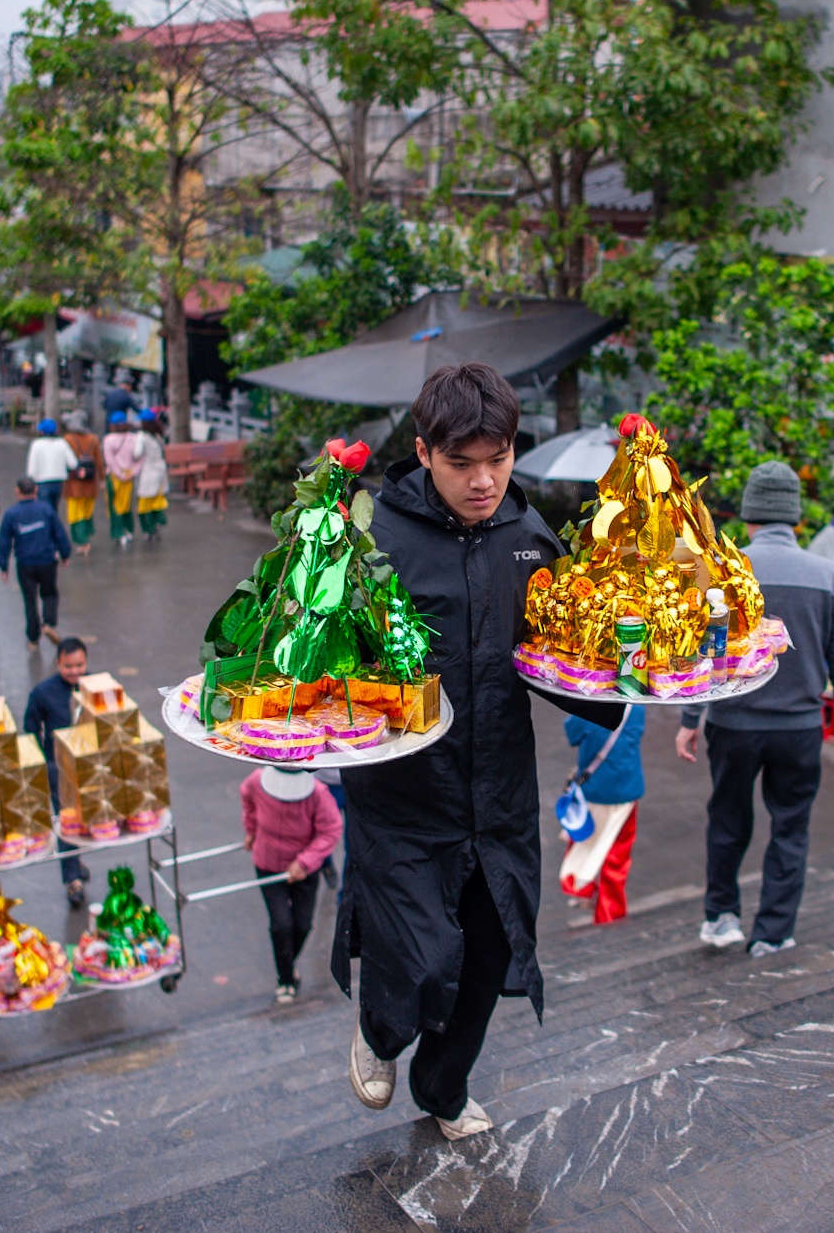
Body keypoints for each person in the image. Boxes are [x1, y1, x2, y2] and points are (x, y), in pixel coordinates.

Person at [338, 362, 621, 1141]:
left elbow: (558, 663)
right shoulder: (375, 541)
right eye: (462, 463)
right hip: (404, 799)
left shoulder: (530, 541)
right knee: (422, 956)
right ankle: (381, 1029)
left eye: (498, 459)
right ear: (424, 452)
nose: (484, 480)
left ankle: (443, 1086)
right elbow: (328, 659)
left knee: (491, 955)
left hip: (499, 798)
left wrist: (632, 685)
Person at [675, 461, 834, 956]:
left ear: (749, 514)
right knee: (791, 827)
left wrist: (690, 719)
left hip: (732, 722)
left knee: (727, 820)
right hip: (799, 728)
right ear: (795, 516)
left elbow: (702, 652)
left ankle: (721, 918)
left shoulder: (723, 568)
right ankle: (774, 933)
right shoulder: (828, 575)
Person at [241, 765, 343, 1005]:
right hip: (268, 864)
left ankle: (287, 962)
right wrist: (251, 829)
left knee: (303, 925)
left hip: (304, 872)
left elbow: (331, 830)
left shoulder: (318, 794)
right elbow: (248, 800)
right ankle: (285, 978)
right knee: (281, 925)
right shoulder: (256, 781)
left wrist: (304, 862)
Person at [559, 705, 646, 924]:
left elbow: (572, 733)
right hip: (626, 790)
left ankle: (580, 886)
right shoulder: (637, 705)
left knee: (584, 839)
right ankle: (610, 912)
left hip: (594, 790)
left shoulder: (590, 707)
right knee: (617, 855)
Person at [24, 637, 96, 903]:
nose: (75, 671)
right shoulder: (43, 692)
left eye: (79, 665)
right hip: (59, 768)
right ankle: (72, 878)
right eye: (68, 666)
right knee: (68, 821)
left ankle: (75, 859)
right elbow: (31, 730)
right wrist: (44, 763)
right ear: (57, 663)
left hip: (90, 764)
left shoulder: (95, 686)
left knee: (86, 817)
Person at [0, 476, 71, 648]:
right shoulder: (46, 509)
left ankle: (33, 639)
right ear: (36, 490)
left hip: (25, 564)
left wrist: (3, 565)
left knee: (30, 600)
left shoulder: (11, 514)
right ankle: (49, 623)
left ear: (17, 491)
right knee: (50, 593)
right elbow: (59, 533)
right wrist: (65, 554)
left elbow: (4, 541)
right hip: (47, 561)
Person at [61, 411, 101, 553]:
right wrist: (102, 479)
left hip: (73, 484)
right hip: (91, 483)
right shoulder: (94, 439)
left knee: (74, 512)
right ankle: (87, 537)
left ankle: (81, 540)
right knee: (86, 511)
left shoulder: (68, 439)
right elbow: (99, 462)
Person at [102, 411, 142, 548]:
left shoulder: (108, 439)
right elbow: (139, 457)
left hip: (114, 476)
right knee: (126, 504)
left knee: (114, 506)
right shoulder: (133, 438)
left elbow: (109, 460)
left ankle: (117, 533)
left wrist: (119, 474)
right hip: (129, 475)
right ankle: (129, 530)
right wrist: (133, 472)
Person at [26, 417, 76, 513]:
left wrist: (31, 482)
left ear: (42, 432)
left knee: (44, 509)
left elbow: (32, 468)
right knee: (54, 508)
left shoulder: (36, 444)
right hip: (58, 481)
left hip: (41, 482)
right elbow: (73, 463)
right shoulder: (62, 443)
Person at [134, 408, 169, 537]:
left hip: (148, 472)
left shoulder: (141, 437)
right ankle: (157, 523)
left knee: (145, 503)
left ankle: (148, 529)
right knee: (157, 500)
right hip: (160, 472)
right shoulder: (158, 435)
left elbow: (137, 453)